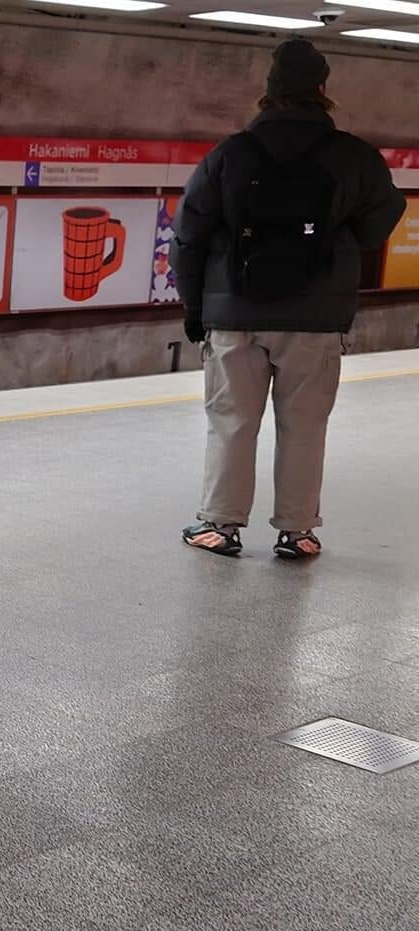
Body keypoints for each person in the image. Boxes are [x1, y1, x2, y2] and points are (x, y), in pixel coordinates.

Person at [172, 39, 404, 560]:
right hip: (316, 318)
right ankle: (298, 532)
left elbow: (187, 235)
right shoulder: (354, 157)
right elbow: (380, 221)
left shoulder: (229, 154)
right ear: (323, 91)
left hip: (235, 313)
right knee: (304, 427)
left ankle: (219, 527)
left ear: (268, 93)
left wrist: (194, 308)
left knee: (232, 420)